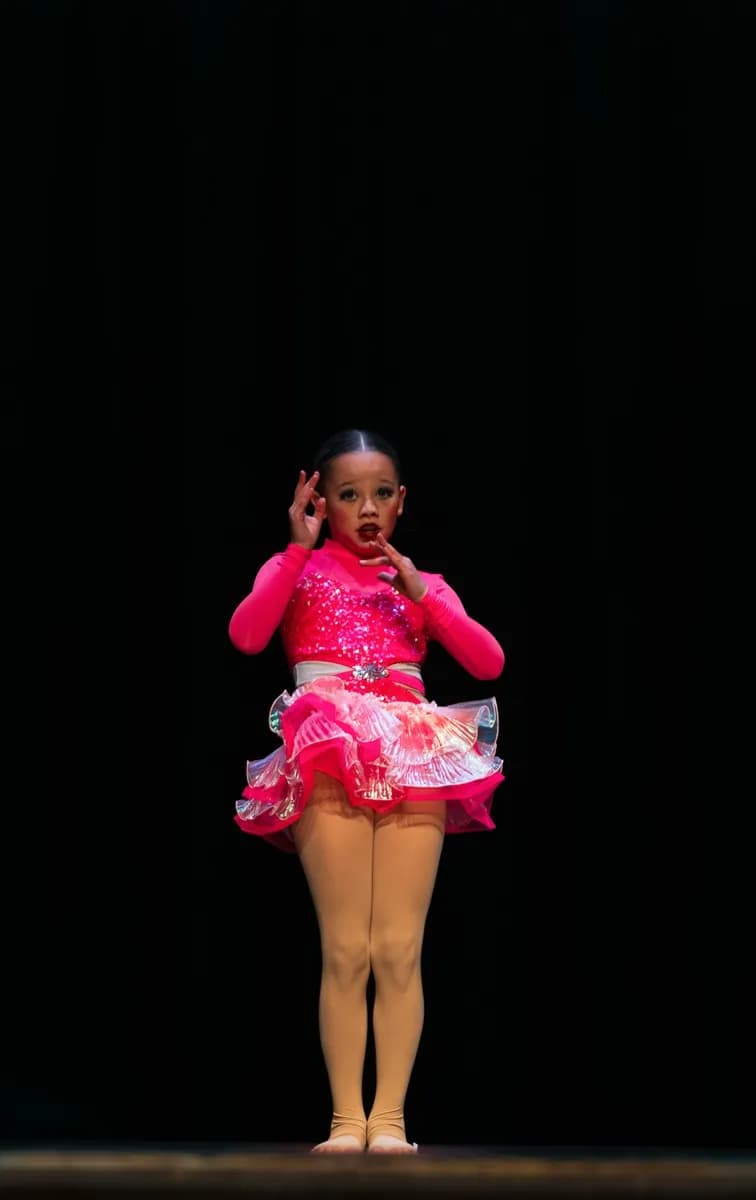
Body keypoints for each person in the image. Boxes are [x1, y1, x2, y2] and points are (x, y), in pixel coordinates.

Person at [228, 428, 505, 1155]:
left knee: (398, 946)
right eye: (348, 495)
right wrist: (294, 549)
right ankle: (345, 1121)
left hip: (414, 751)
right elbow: (248, 636)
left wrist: (424, 595)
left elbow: (488, 658)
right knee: (347, 944)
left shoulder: (421, 583)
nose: (368, 508)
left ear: (403, 501)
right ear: (319, 500)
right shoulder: (298, 570)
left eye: (382, 493)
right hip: (330, 742)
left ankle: (390, 1122)